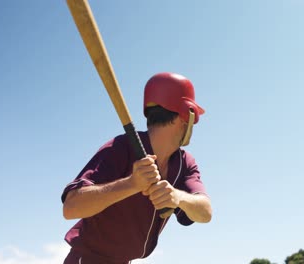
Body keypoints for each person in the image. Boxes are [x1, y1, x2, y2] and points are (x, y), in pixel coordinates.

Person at [61, 72, 212, 264]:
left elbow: (205, 213)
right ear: (183, 116)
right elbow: (71, 207)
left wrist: (177, 196)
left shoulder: (184, 162)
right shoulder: (121, 147)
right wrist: (132, 183)